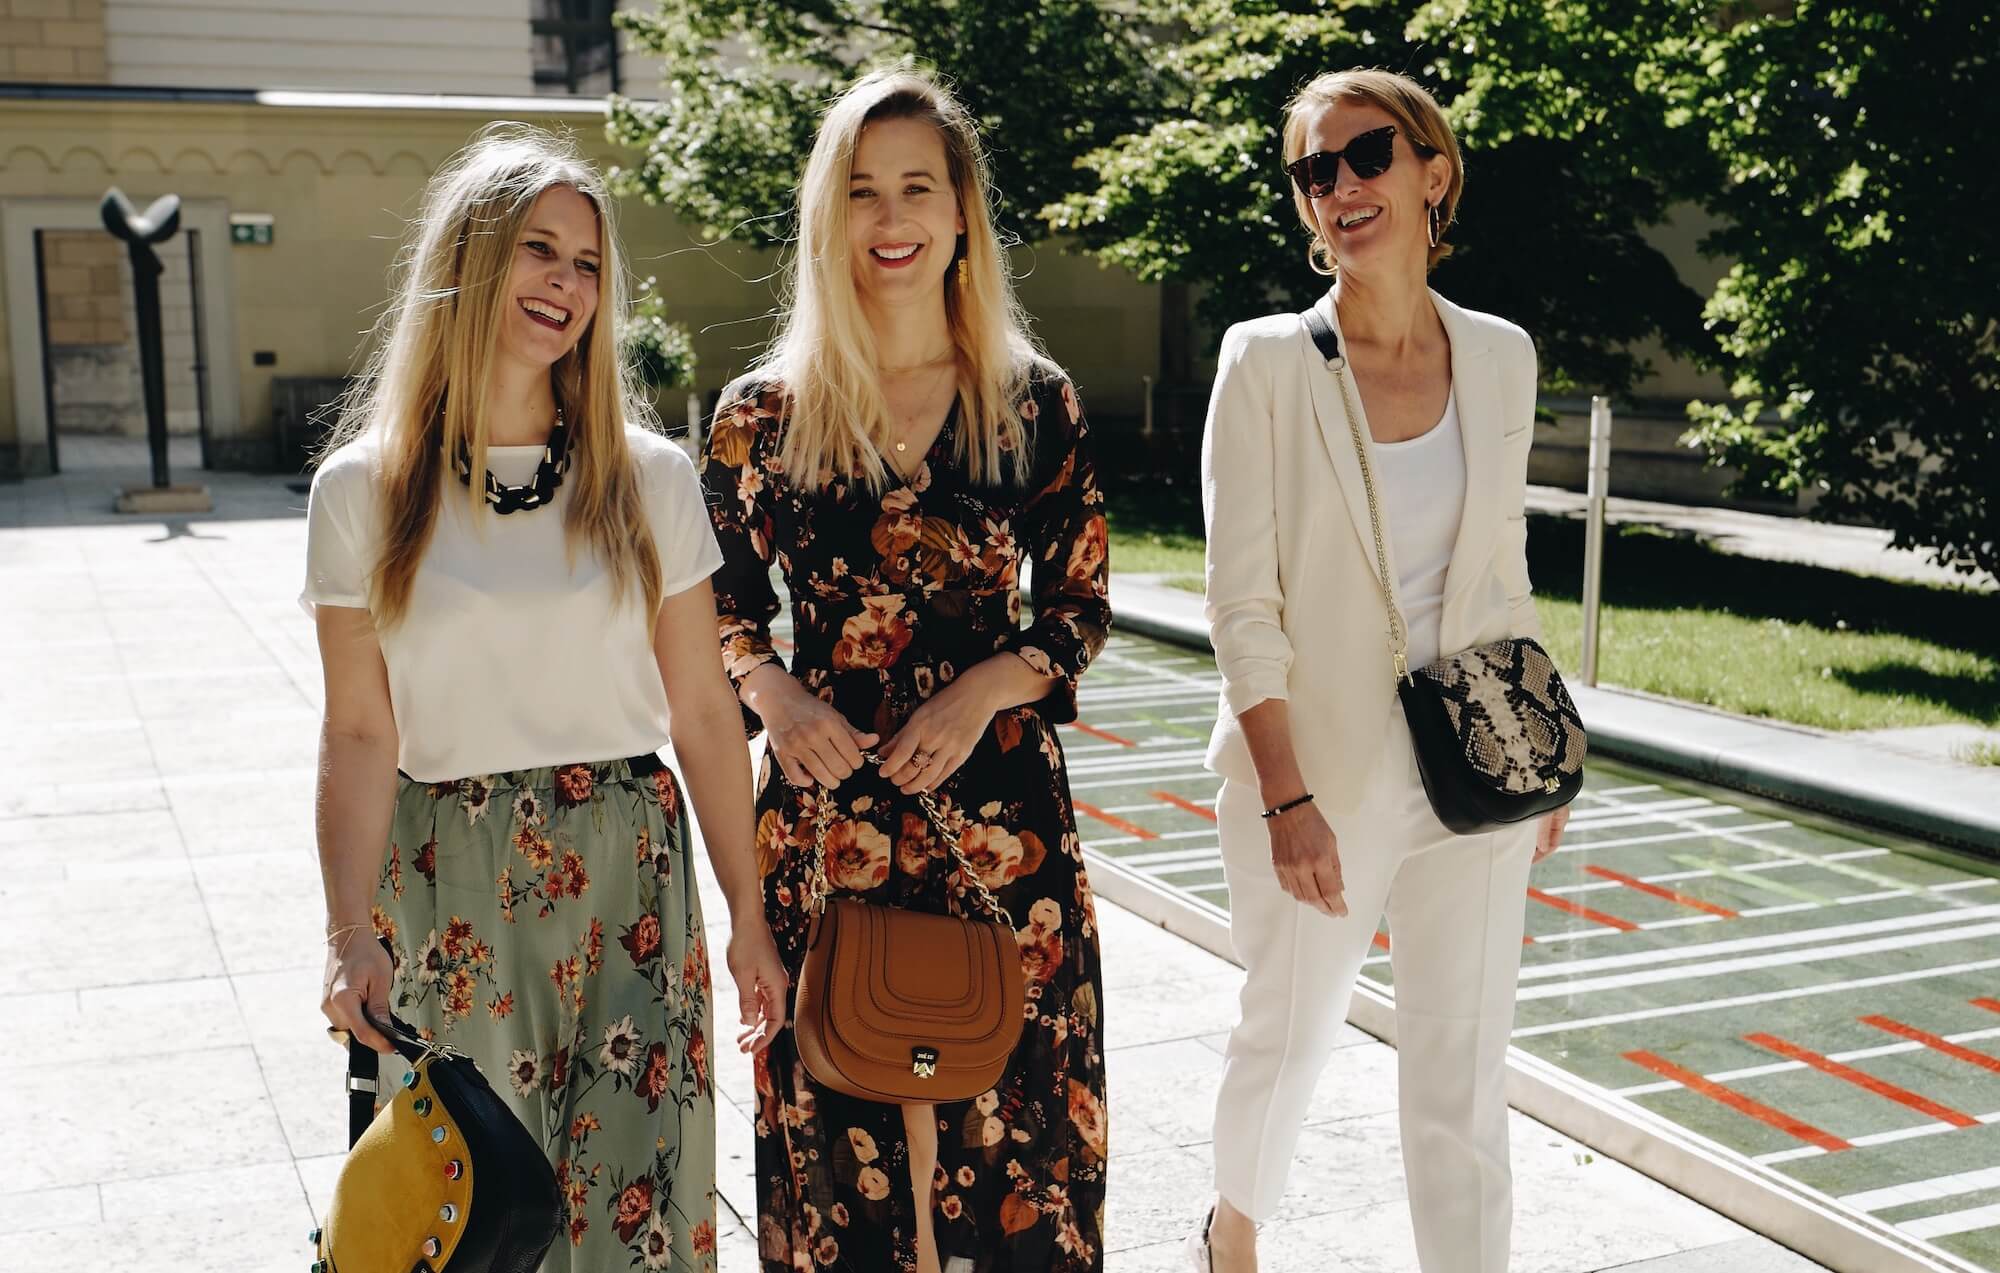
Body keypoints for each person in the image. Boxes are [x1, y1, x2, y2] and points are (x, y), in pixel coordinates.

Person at [305, 123, 788, 1273]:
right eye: (539, 251)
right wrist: (345, 933)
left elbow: (705, 712)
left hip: (629, 864)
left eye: (586, 264)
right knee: (473, 1218)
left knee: (638, 1211)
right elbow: (360, 730)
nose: (566, 285)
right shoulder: (362, 492)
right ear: (468, 261)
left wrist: (750, 914)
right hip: (446, 879)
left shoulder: (647, 476)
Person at [701, 64, 1112, 1273]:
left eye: (917, 189)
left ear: (962, 212)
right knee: (839, 1129)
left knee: (1015, 1132)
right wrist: (770, 691)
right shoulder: (758, 416)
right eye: (863, 192)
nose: (891, 221)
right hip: (826, 815)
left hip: (1001, 813)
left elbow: (1081, 606)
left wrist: (988, 683)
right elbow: (717, 612)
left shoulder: (1035, 405)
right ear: (829, 216)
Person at [1186, 70, 1573, 1273]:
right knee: (1287, 1041)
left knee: (1462, 1069)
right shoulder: (1262, 363)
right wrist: (1285, 797)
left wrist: (1538, 759)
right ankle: (1231, 1236)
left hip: (1471, 766)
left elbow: (1498, 574)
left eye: (1365, 156)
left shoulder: (1499, 356)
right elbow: (1240, 605)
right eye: (1315, 171)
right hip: (1318, 778)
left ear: (1430, 170)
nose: (1342, 186)